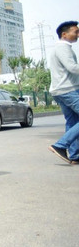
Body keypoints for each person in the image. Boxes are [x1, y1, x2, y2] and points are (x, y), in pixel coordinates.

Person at [47, 20, 79, 164]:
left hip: (61, 90)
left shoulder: (60, 48)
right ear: (64, 34)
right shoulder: (63, 48)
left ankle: (74, 155)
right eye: (76, 32)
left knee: (72, 122)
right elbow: (73, 68)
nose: (78, 34)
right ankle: (60, 145)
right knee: (73, 121)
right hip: (68, 90)